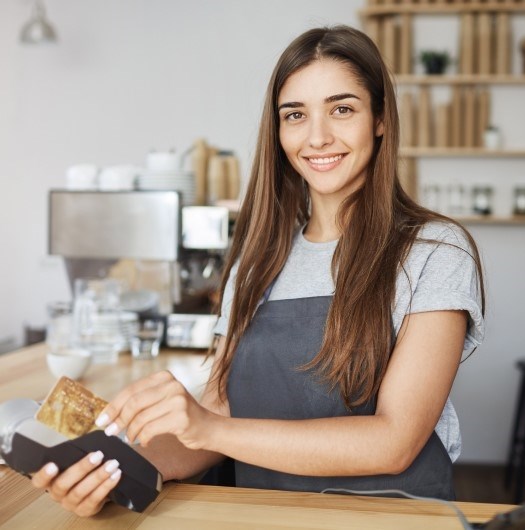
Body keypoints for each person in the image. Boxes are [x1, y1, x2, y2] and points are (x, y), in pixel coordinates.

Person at [31, 25, 485, 516]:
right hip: (260, 514)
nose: (316, 137)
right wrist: (113, 470)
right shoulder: (257, 260)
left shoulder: (435, 250)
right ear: (278, 130)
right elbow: (222, 412)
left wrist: (208, 426)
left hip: (393, 519)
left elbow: (394, 441)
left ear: (378, 118)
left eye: (342, 109)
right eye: (295, 115)